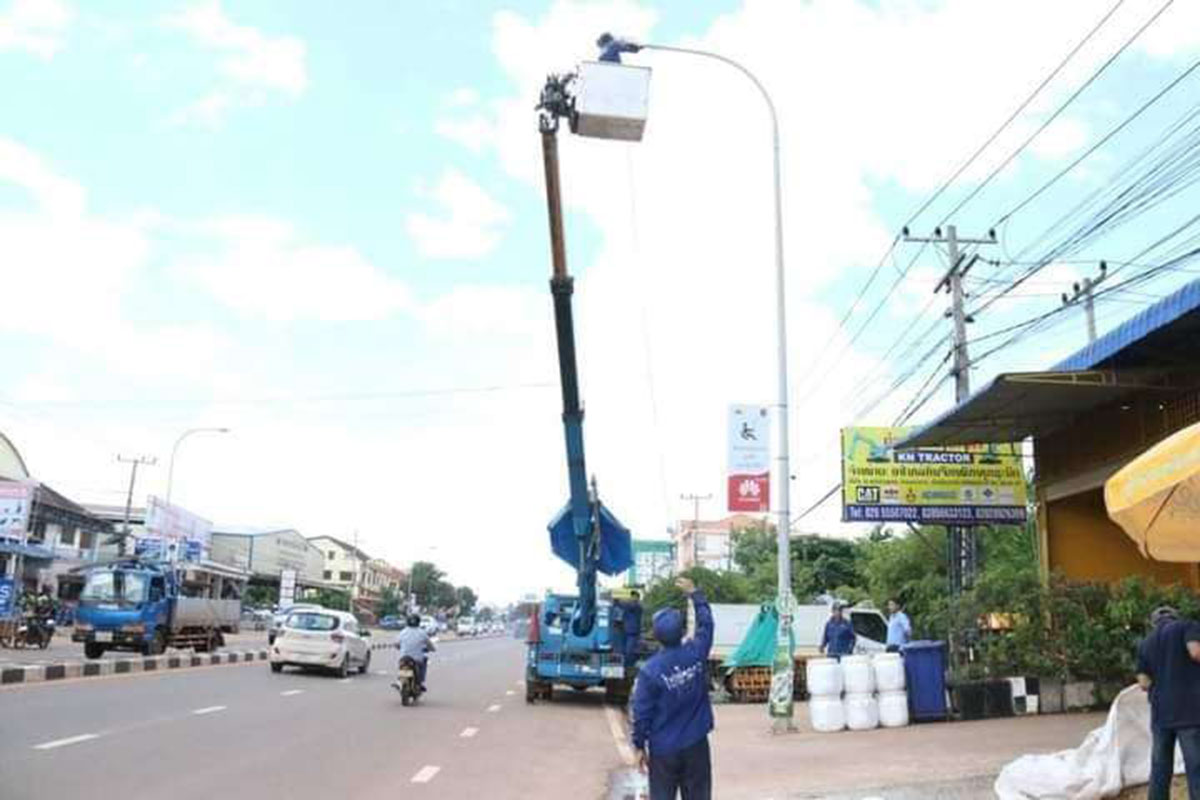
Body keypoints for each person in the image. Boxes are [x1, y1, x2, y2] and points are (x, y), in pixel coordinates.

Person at [631, 577, 714, 800]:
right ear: (681, 631)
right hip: (696, 744)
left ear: (656, 636)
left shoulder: (650, 671)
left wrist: (639, 745)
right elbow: (706, 625)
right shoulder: (696, 652)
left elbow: (641, 714)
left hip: (663, 751)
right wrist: (695, 594)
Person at [1137, 606, 1200, 800]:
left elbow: (1144, 683)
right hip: (1189, 710)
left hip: (1160, 713)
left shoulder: (1145, 642)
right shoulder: (1187, 626)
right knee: (1196, 765)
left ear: (1154, 622)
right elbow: (1196, 652)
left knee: (1160, 766)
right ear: (1175, 617)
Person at [393, 613, 436, 692]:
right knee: (424, 661)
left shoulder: (403, 632)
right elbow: (430, 645)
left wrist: (400, 647)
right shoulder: (422, 633)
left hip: (404, 657)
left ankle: (400, 681)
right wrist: (431, 649)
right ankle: (420, 681)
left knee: (402, 665)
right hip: (417, 659)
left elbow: (396, 644)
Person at [613, 591, 644, 669]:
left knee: (629, 651)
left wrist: (618, 600)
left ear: (637, 598)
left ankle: (628, 667)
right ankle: (623, 666)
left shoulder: (637, 607)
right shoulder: (628, 607)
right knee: (622, 650)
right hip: (624, 631)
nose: (632, 598)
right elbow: (619, 608)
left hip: (632, 633)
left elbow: (627, 606)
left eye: (634, 596)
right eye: (632, 596)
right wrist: (616, 602)